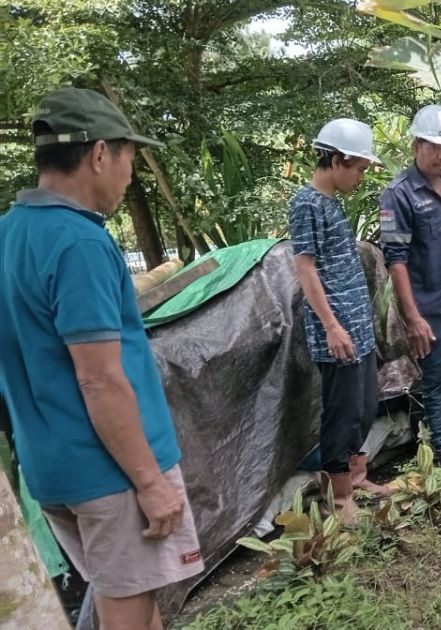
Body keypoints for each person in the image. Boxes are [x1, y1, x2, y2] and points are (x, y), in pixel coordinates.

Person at [0, 87, 203, 629]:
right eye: (129, 159)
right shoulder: (79, 243)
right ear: (98, 154)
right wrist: (150, 481)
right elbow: (100, 379)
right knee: (126, 607)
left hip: (51, 466)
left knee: (131, 594)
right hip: (111, 472)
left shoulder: (9, 233)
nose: (129, 176)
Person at [289, 117, 396, 524]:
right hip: (336, 331)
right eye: (359, 169)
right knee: (341, 412)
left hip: (357, 327)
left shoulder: (330, 202)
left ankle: (357, 477)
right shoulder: (306, 204)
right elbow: (306, 269)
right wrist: (332, 326)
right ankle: (337, 498)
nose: (361, 177)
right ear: (336, 160)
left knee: (364, 405)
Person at [380, 104, 441, 467]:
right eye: (434, 147)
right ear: (416, 146)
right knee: (438, 383)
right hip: (431, 308)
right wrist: (413, 318)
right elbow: (396, 260)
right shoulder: (399, 194)